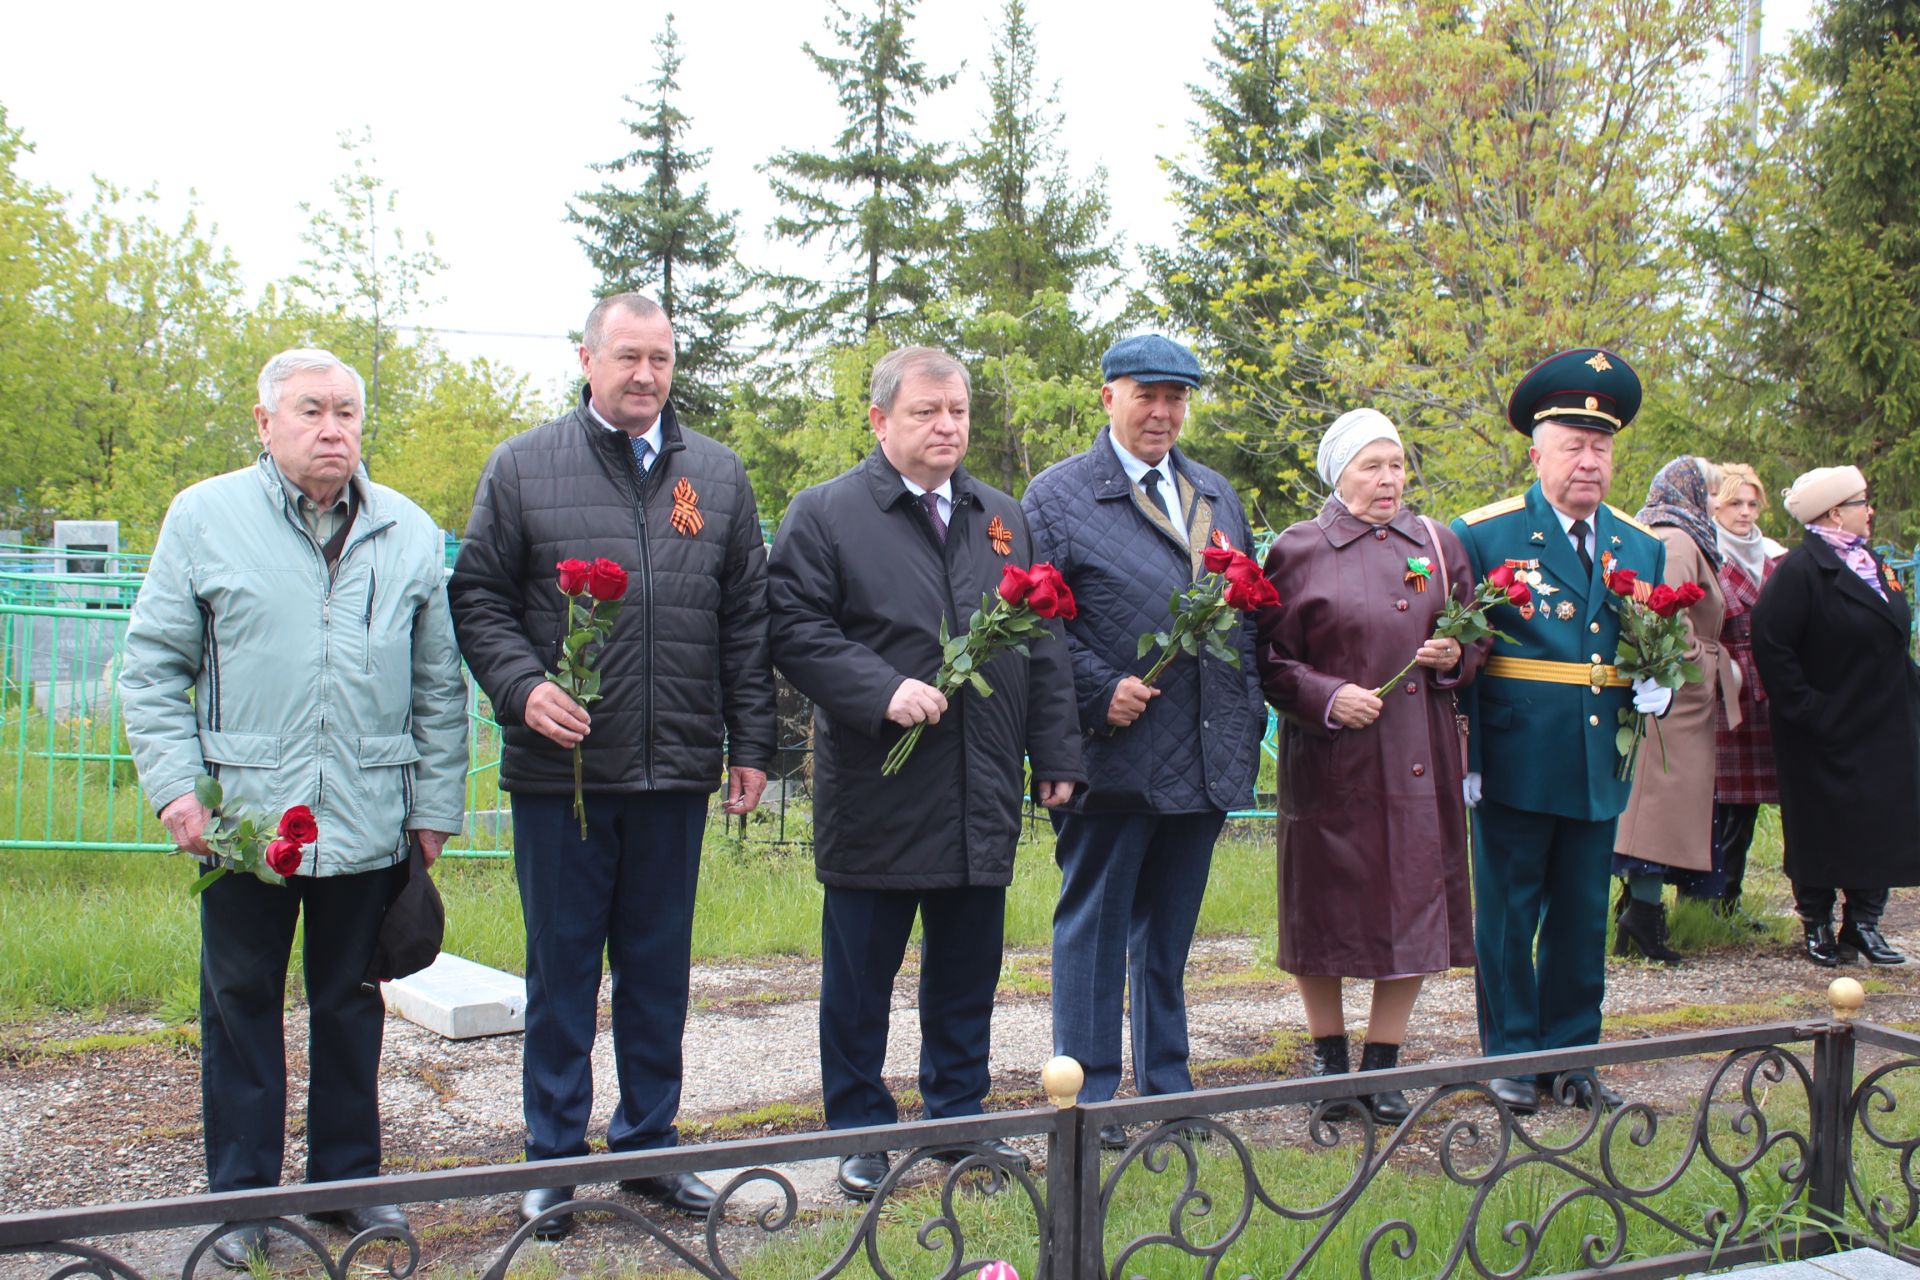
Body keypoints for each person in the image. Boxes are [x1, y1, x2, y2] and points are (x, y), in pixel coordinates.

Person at [120, 348, 468, 1268]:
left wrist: (433, 806)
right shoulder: (205, 518)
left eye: (348, 412)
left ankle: (348, 1188)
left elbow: (439, 687)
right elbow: (153, 667)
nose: (332, 429)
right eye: (311, 410)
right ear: (265, 421)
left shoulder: (408, 531)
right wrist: (176, 790)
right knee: (240, 1007)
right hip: (244, 822)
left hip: (369, 816)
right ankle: (243, 1203)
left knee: (353, 1004)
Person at [449, 293, 776, 1238]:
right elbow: (478, 597)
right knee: (561, 968)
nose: (645, 375)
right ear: (587, 357)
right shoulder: (523, 467)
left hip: (675, 770)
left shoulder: (713, 475)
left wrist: (749, 743)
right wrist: (519, 687)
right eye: (627, 356)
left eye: (661, 358)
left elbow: (744, 619)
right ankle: (552, 1158)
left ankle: (649, 1147)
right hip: (564, 778)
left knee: (657, 968)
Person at [766, 346, 1084, 1201]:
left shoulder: (1001, 516)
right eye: (925, 412)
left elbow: (1041, 640)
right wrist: (882, 688)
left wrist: (1055, 751)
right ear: (879, 421)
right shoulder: (828, 514)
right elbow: (793, 629)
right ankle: (860, 1128)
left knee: (967, 971)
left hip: (980, 785)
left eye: (958, 412)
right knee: (862, 976)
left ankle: (958, 1121)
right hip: (879, 788)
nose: (947, 427)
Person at [1020, 335, 1264, 1147]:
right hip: (1113, 754)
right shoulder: (1057, 497)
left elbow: (1247, 615)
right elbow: (1035, 620)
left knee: (1167, 934)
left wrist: (1246, 718)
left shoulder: (1213, 494)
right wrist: (1095, 689)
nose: (1162, 412)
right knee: (1094, 927)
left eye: (1176, 397)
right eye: (1146, 395)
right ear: (1108, 398)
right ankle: (1087, 1098)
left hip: (1201, 754)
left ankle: (1168, 1085)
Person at [1450, 348, 1668, 1116]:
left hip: (1596, 759)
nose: (1589, 461)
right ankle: (1510, 1054)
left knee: (1579, 912)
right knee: (1509, 913)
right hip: (1513, 755)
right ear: (1536, 452)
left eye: (1601, 447)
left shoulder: (1639, 546)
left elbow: (1649, 637)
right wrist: (1465, 749)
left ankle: (1574, 1057)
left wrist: (1660, 681)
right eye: (1573, 446)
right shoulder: (1484, 535)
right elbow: (1462, 649)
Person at [1256, 409, 1483, 1124]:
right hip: (1334, 761)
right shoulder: (1299, 549)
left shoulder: (1438, 545)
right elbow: (1266, 659)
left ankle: (1382, 1063)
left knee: (1415, 903)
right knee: (1322, 907)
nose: (1388, 481)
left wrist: (1458, 658)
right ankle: (1327, 1060)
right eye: (1370, 466)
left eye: (1396, 465)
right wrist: (1327, 696)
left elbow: (1476, 634)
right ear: (1339, 474)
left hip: (1420, 755)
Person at [1750, 466, 1920, 967]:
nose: (1869, 511)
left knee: (1882, 821)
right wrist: (1808, 708)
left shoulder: (1870, 561)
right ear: (1832, 513)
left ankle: (1864, 924)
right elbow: (1771, 642)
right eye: (1860, 502)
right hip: (1822, 728)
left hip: (1883, 721)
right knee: (1822, 824)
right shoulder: (1802, 571)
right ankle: (1817, 923)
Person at [1610, 457, 1742, 963]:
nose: (1713, 503)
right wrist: (1693, 662)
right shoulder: (1677, 537)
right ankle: (1643, 918)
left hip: (1681, 691)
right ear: (1687, 491)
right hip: (1677, 696)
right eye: (1709, 492)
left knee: (1665, 807)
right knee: (1659, 809)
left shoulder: (1678, 533)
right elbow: (1661, 606)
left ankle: (1636, 917)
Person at [1679, 463, 1782, 926]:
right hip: (1724, 689)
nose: (1745, 512)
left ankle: (1730, 900)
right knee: (1719, 801)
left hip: (1766, 688)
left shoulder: (1775, 557)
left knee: (1750, 804)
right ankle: (1703, 902)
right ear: (1715, 507)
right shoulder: (1707, 553)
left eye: (1752, 503)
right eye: (1734, 503)